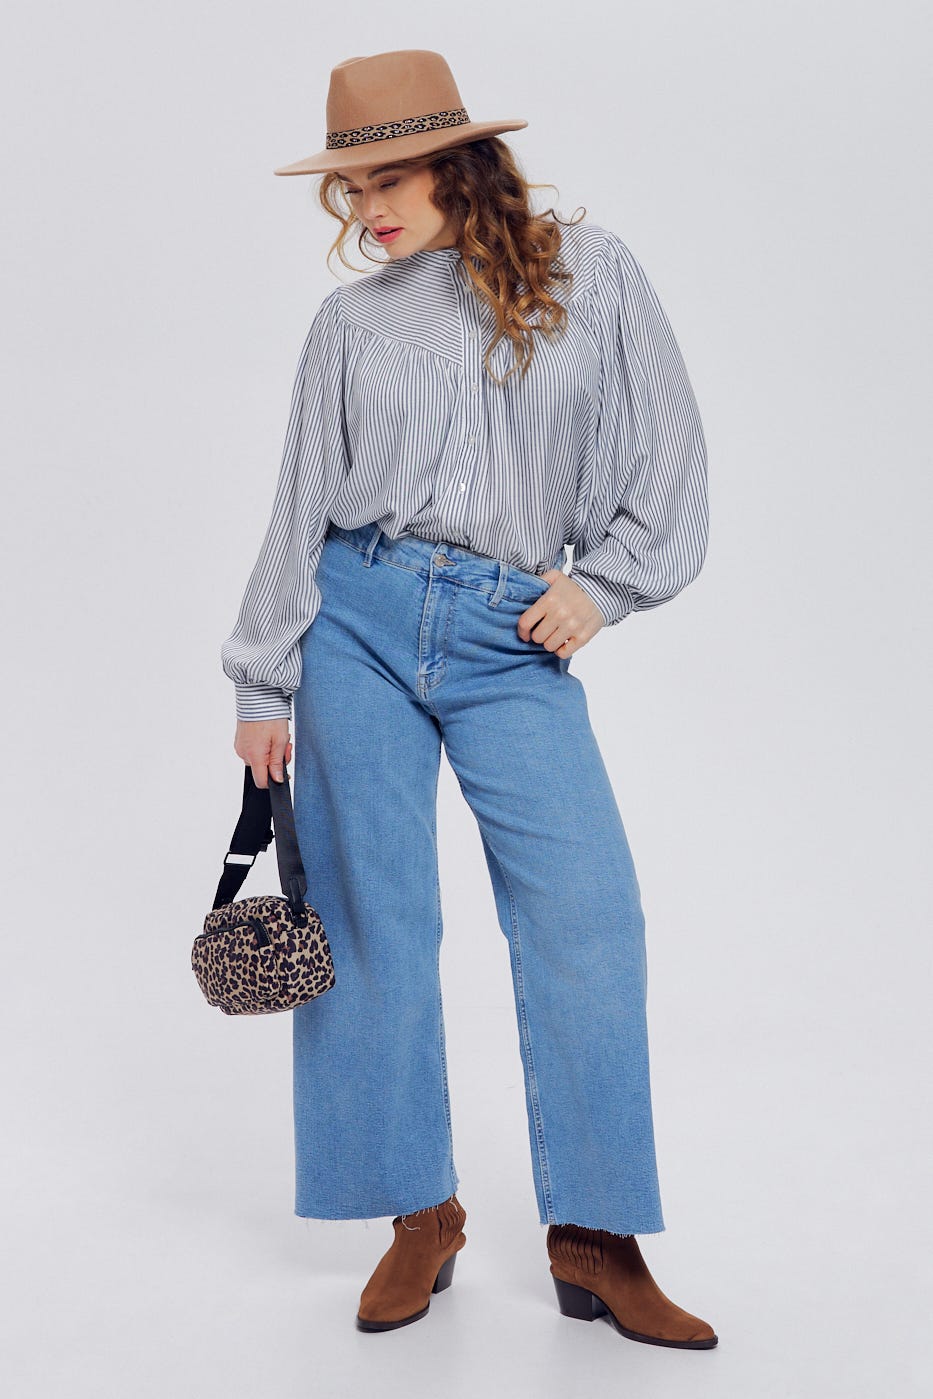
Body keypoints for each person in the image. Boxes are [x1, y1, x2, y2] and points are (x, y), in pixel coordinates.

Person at [220, 48, 718, 1348]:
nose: (366, 209)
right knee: (372, 916)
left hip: (510, 635)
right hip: (357, 622)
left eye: (388, 179)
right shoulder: (348, 324)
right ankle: (418, 1215)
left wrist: (602, 589)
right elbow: (297, 503)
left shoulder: (591, 275)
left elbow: (668, 456)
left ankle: (597, 1238)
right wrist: (263, 677)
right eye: (351, 187)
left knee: (587, 916)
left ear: (460, 164)